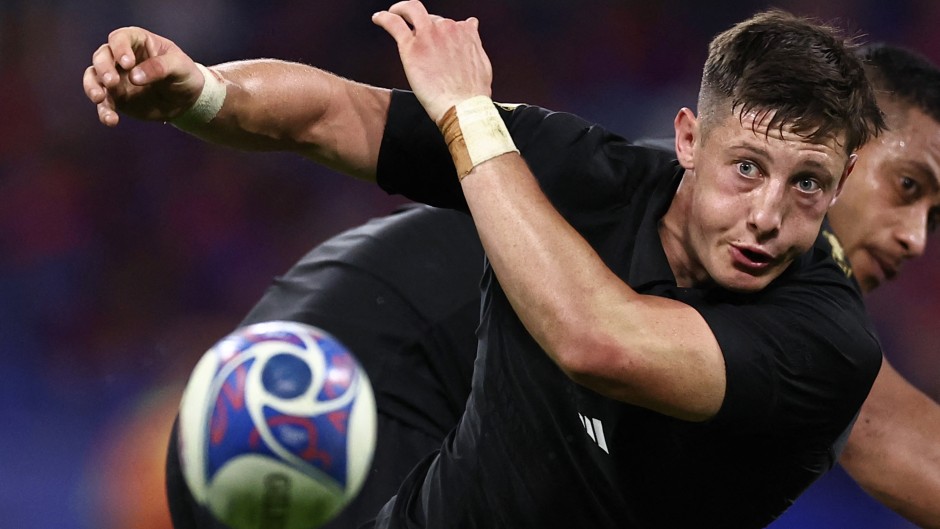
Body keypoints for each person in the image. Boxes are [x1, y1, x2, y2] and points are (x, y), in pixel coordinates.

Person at [84, 3, 886, 527]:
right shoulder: (593, 175)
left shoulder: (824, 341)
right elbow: (336, 116)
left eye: (807, 183)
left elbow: (597, 340)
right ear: (688, 140)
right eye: (746, 167)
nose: (768, 215)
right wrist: (199, 92)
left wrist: (469, 114)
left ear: (842, 182)